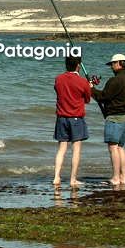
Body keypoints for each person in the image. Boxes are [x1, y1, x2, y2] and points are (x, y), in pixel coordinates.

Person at [91, 53, 125, 186]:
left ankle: (115, 178)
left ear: (119, 64)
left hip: (115, 118)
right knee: (120, 147)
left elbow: (102, 97)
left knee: (113, 147)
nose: (111, 67)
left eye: (112, 64)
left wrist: (91, 89)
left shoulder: (114, 80)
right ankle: (123, 177)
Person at [53, 56, 92, 189]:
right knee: (76, 149)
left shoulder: (58, 79)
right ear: (78, 66)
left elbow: (59, 91)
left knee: (61, 149)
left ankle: (56, 177)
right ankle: (73, 179)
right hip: (76, 118)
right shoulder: (82, 82)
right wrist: (89, 86)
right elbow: (87, 99)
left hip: (61, 118)